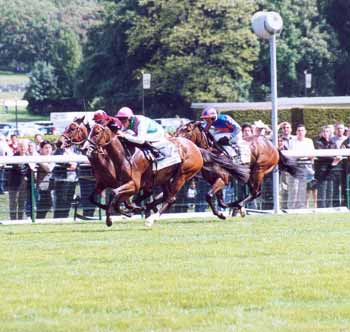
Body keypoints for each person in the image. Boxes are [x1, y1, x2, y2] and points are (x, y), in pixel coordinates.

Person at [287, 124, 315, 209]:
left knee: (302, 188)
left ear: (305, 132)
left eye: (302, 130)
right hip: (295, 166)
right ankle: (291, 208)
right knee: (294, 188)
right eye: (299, 130)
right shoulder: (292, 141)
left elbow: (312, 154)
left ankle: (301, 208)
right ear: (296, 132)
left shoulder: (309, 141)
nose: (300, 132)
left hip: (306, 165)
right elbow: (291, 155)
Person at [52, 145, 79, 219]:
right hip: (62, 179)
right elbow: (57, 160)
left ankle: (65, 216)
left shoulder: (75, 148)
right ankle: (58, 218)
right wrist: (69, 165)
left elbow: (80, 159)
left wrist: (76, 165)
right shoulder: (59, 150)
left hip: (73, 179)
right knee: (61, 200)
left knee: (69, 199)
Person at [8, 140, 30, 220]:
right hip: (14, 183)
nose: (23, 148)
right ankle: (13, 219)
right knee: (13, 202)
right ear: (18, 147)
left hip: (24, 183)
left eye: (24, 146)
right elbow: (16, 168)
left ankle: (20, 219)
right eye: (21, 146)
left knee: (22, 202)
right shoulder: (14, 157)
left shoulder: (29, 157)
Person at [36, 141, 55, 219]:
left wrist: (41, 162)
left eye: (49, 147)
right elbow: (48, 168)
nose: (48, 149)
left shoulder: (53, 158)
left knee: (48, 203)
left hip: (51, 185)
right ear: (41, 149)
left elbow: (49, 168)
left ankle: (40, 219)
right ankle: (38, 219)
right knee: (43, 203)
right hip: (41, 185)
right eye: (46, 148)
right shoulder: (38, 157)